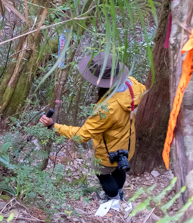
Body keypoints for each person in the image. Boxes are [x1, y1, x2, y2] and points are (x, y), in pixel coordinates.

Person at [39, 52, 146, 206]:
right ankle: (120, 193)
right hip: (127, 145)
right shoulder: (133, 85)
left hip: (107, 152)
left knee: (102, 175)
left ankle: (113, 200)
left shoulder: (106, 109)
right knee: (119, 169)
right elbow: (142, 88)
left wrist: (53, 126)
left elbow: (82, 135)